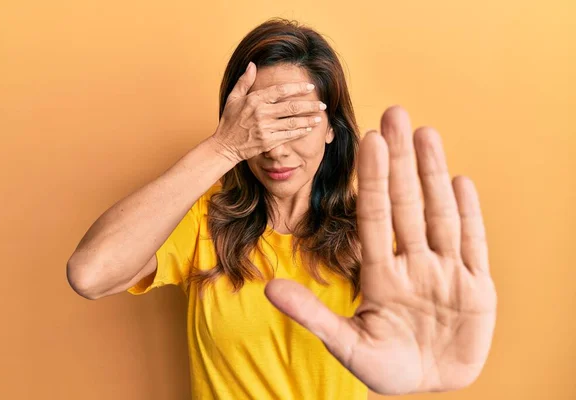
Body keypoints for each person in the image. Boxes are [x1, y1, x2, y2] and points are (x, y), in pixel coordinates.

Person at [67, 18, 497, 399]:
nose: (276, 149)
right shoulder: (202, 222)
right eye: (262, 122)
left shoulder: (376, 238)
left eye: (296, 121)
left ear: (332, 129)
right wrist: (223, 147)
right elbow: (91, 273)